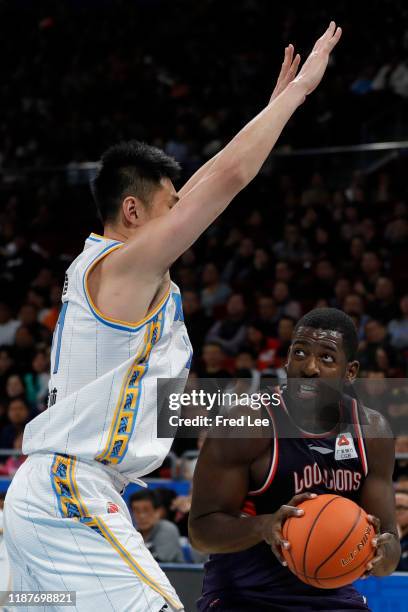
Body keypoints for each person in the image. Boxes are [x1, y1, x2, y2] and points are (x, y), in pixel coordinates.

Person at [4, 22, 342, 612]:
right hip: (69, 493)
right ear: (132, 211)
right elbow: (229, 178)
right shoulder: (121, 269)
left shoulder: (131, 290)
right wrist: (296, 96)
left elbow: (157, 403)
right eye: (170, 206)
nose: (182, 214)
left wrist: (270, 408)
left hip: (61, 490)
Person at [189, 308, 400, 611]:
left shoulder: (372, 432)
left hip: (331, 595)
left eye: (326, 358)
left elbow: (388, 543)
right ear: (287, 358)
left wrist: (381, 552)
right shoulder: (246, 424)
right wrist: (264, 527)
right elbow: (201, 531)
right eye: (300, 353)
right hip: (244, 595)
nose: (309, 367)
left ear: (350, 372)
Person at [129, 490, 184, 564]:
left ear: (158, 512)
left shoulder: (167, 529)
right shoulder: (132, 533)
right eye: (137, 511)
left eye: (146, 510)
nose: (141, 516)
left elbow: (159, 563)